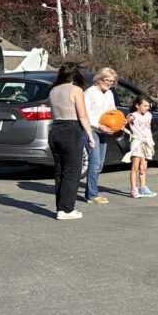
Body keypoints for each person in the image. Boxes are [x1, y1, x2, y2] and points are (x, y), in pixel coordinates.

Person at [48, 63, 96, 220]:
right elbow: (82, 115)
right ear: (76, 75)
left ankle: (61, 207)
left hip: (55, 129)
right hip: (71, 128)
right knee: (72, 170)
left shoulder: (53, 90)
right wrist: (90, 135)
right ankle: (66, 210)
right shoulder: (76, 90)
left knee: (60, 171)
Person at [83, 67, 118, 204]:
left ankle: (90, 192)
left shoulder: (109, 93)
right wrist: (98, 125)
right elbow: (84, 114)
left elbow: (112, 110)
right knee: (95, 162)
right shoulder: (90, 93)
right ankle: (92, 195)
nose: (109, 83)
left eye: (112, 81)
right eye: (107, 80)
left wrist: (118, 122)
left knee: (100, 164)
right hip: (91, 129)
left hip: (104, 130)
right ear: (99, 79)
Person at [125, 95, 157, 198]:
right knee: (135, 166)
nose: (147, 108)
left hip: (147, 142)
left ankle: (143, 188)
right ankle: (133, 189)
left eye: (148, 105)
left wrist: (151, 144)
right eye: (145, 105)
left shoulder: (149, 115)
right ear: (137, 105)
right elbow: (121, 124)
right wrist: (129, 132)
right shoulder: (133, 116)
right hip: (137, 142)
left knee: (143, 167)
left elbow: (148, 129)